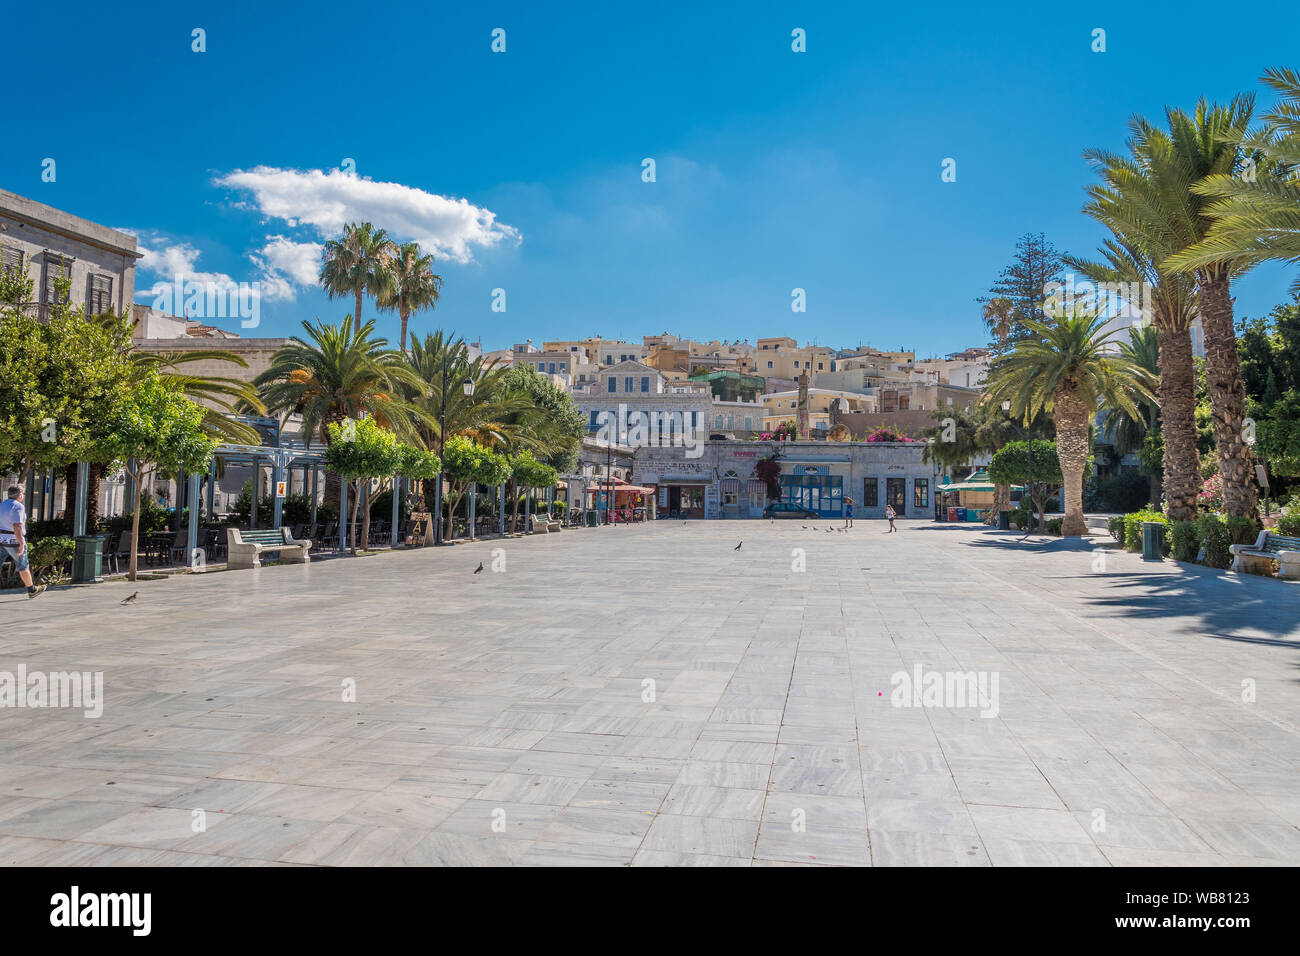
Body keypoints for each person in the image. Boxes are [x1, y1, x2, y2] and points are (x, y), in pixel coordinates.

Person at [1, 485, 46, 598]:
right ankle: (32, 590)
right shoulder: (18, 506)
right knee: (23, 566)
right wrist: (21, 543)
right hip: (13, 541)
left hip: (1, 539)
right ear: (20, 495)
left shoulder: (1, 505)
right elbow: (17, 526)